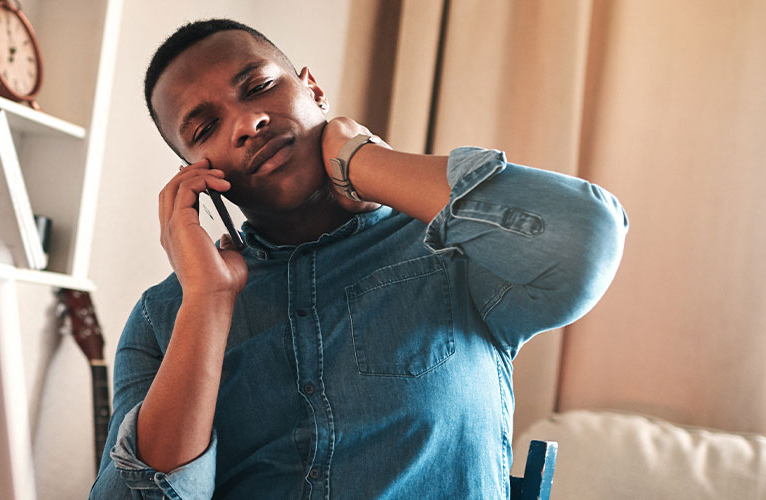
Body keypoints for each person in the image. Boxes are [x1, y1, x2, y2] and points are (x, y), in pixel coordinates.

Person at [90, 18, 628, 500]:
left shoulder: (456, 250)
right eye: (204, 128)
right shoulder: (163, 318)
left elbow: (583, 238)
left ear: (314, 89)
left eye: (259, 87)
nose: (247, 122)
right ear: (196, 171)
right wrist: (207, 302)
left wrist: (361, 160)